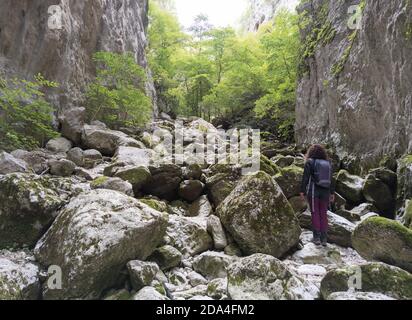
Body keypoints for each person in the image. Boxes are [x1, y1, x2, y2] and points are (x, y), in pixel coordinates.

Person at [300, 144, 335, 246]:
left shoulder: (310, 162)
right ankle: (324, 239)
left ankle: (316, 238)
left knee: (315, 213)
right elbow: (331, 179)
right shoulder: (328, 163)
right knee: (323, 214)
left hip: (314, 191)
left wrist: (302, 191)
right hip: (326, 192)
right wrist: (332, 193)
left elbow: (305, 178)